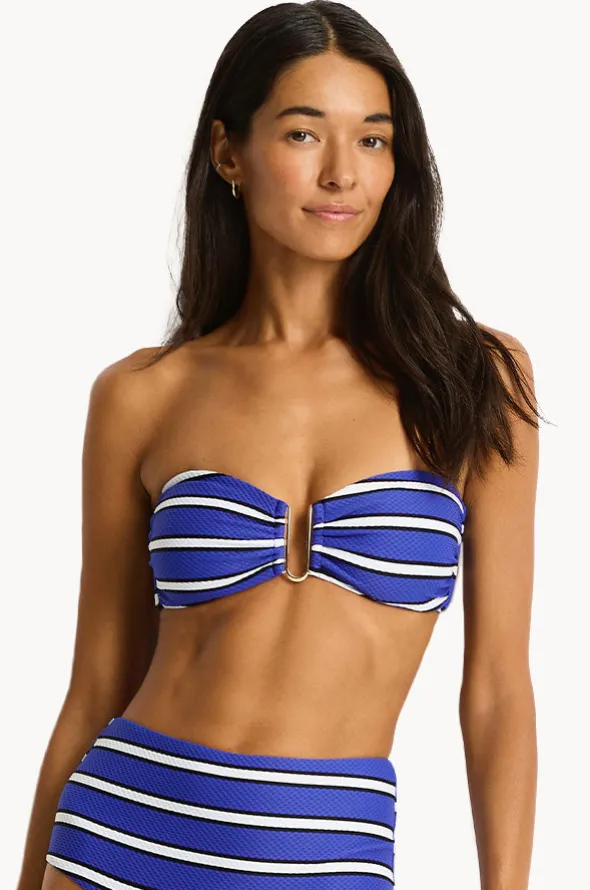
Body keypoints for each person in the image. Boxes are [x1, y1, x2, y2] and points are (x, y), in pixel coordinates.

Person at [17, 3, 542, 889]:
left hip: (325, 860)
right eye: (304, 133)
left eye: (372, 140)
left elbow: (497, 690)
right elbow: (96, 684)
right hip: (118, 843)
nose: (343, 173)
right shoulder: (143, 394)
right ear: (229, 153)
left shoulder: (475, 378)